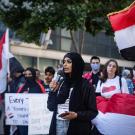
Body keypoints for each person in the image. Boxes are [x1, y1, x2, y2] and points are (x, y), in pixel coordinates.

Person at [48, 52, 98, 135]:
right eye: (64, 62)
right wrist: (52, 91)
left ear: (77, 64)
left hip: (77, 128)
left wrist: (76, 115)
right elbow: (51, 107)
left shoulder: (86, 86)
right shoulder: (61, 82)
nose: (65, 64)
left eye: (69, 62)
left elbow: (93, 112)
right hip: (58, 125)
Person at [16, 67, 46, 135]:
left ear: (34, 75)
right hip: (23, 118)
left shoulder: (40, 87)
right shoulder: (22, 87)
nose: (27, 76)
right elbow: (16, 100)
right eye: (26, 74)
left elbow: (44, 101)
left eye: (30, 74)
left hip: (35, 119)